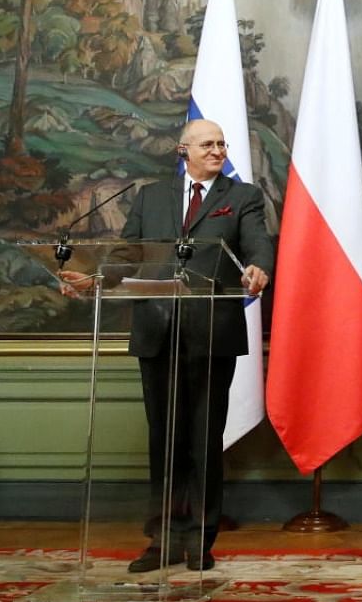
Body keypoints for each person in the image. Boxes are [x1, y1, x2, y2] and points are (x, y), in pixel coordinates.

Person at [60, 118, 273, 573]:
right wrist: (93, 278)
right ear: (183, 150)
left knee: (201, 440)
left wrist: (258, 269)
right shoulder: (150, 197)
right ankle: (161, 541)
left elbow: (257, 244)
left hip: (211, 332)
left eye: (221, 144)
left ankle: (199, 541)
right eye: (207, 144)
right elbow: (126, 254)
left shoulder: (242, 197)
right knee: (164, 442)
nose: (217, 151)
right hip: (157, 331)